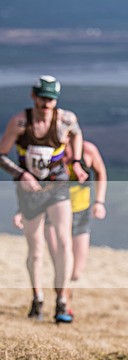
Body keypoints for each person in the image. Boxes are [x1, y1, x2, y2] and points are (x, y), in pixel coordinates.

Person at [0, 75, 88, 323]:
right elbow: (1, 155)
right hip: (29, 191)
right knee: (36, 248)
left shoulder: (66, 119)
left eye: (51, 99)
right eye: (42, 98)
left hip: (58, 185)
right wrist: (22, 174)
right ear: (33, 96)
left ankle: (61, 300)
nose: (46, 104)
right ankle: (37, 298)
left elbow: (77, 134)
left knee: (63, 242)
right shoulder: (20, 122)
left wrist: (77, 162)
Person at [13, 140, 107, 320]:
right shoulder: (51, 155)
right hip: (53, 213)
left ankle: (63, 297)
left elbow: (101, 171)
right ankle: (62, 305)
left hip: (80, 213)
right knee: (59, 262)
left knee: (76, 272)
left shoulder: (88, 151)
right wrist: (22, 210)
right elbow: (35, 183)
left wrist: (99, 202)